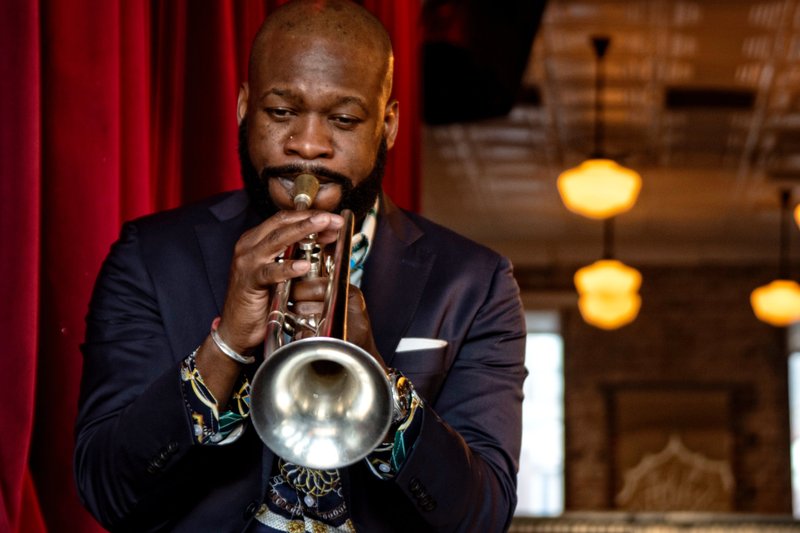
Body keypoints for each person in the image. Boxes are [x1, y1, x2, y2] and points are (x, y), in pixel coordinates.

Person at [74, 1, 527, 531]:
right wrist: (223, 351)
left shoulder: (475, 283)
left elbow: (483, 515)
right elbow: (106, 490)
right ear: (245, 108)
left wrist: (378, 378)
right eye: (281, 112)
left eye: (343, 120)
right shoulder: (150, 257)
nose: (307, 145)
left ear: (388, 125)